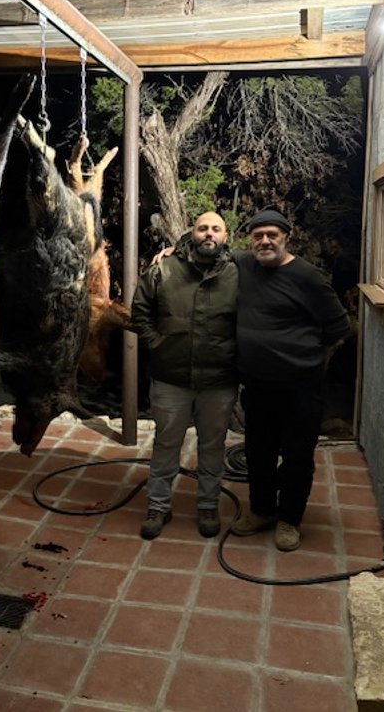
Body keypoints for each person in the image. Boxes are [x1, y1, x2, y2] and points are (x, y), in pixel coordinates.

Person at [230, 208, 350, 551]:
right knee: (258, 452)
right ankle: (263, 511)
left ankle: (289, 520)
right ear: (250, 240)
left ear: (286, 237)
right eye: (258, 235)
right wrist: (172, 252)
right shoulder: (245, 265)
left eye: (272, 235)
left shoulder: (307, 277)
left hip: (301, 388)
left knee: (298, 456)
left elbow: (338, 326)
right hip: (257, 385)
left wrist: (311, 359)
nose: (265, 241)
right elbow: (210, 249)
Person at [131, 212, 238, 540]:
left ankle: (207, 505)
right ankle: (158, 505)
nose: (209, 234)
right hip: (170, 377)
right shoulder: (163, 268)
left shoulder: (240, 273)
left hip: (219, 379)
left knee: (213, 445)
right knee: (166, 443)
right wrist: (157, 344)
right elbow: (140, 311)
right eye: (203, 227)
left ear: (225, 235)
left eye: (216, 229)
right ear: (191, 232)